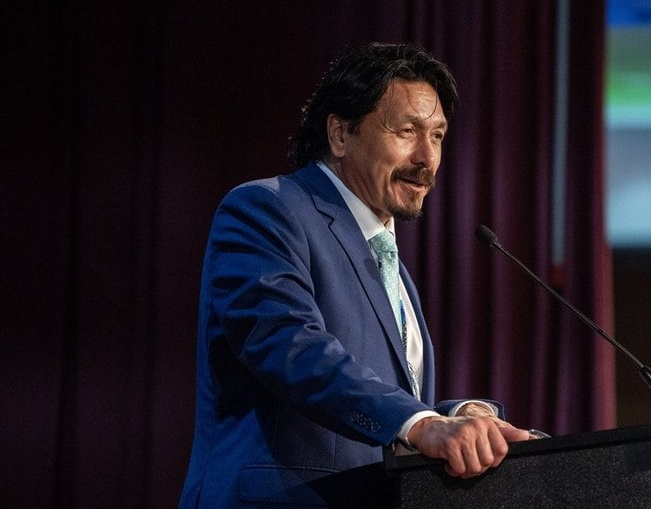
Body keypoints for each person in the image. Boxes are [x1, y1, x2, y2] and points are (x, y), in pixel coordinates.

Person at [179, 43, 533, 508]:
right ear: (341, 133)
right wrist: (422, 423)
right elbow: (290, 346)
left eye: (438, 136)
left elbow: (381, 410)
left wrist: (458, 415)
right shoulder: (267, 210)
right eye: (407, 131)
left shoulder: (389, 263)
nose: (427, 158)